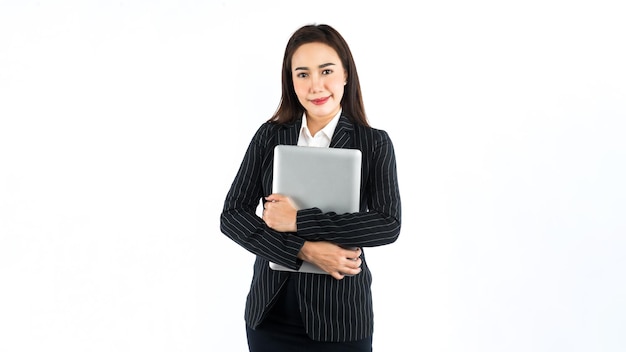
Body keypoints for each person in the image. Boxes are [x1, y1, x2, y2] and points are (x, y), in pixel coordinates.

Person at [220, 23, 401, 351]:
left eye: (326, 71)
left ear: (346, 74)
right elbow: (232, 216)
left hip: (342, 319)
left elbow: (387, 225)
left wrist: (299, 220)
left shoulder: (374, 143)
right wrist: (304, 250)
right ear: (291, 81)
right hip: (271, 313)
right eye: (302, 74)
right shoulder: (269, 137)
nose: (316, 85)